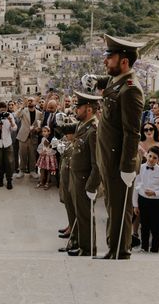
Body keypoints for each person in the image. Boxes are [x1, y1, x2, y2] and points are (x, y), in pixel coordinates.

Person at [91, 35, 145, 259]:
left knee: (119, 207)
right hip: (108, 156)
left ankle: (119, 251)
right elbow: (110, 83)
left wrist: (127, 167)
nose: (105, 62)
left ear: (124, 61)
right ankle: (114, 246)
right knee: (112, 205)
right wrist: (95, 79)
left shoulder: (131, 89)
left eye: (109, 58)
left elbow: (132, 132)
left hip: (118, 160)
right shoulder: (118, 80)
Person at [58, 91, 101, 257]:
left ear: (89, 109)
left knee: (85, 216)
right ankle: (77, 243)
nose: (76, 110)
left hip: (85, 179)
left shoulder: (94, 129)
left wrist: (92, 185)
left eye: (79, 107)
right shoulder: (83, 125)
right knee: (78, 213)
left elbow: (97, 162)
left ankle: (88, 248)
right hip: (76, 177)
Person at [133, 146, 159, 253]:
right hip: (143, 201)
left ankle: (154, 249)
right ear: (147, 155)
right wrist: (135, 204)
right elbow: (136, 187)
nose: (151, 159)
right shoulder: (140, 168)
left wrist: (155, 193)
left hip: (156, 202)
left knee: (155, 227)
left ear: (158, 160)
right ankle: (144, 247)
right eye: (150, 156)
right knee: (144, 226)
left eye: (154, 158)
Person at [15, 96, 43, 179]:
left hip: (33, 137)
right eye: (29, 101)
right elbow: (16, 115)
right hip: (23, 136)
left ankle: (32, 171)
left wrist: (38, 129)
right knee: (22, 155)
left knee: (33, 155)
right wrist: (23, 105)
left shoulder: (39, 113)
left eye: (32, 100)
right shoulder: (24, 111)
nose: (30, 102)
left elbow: (40, 125)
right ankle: (21, 171)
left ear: (35, 102)